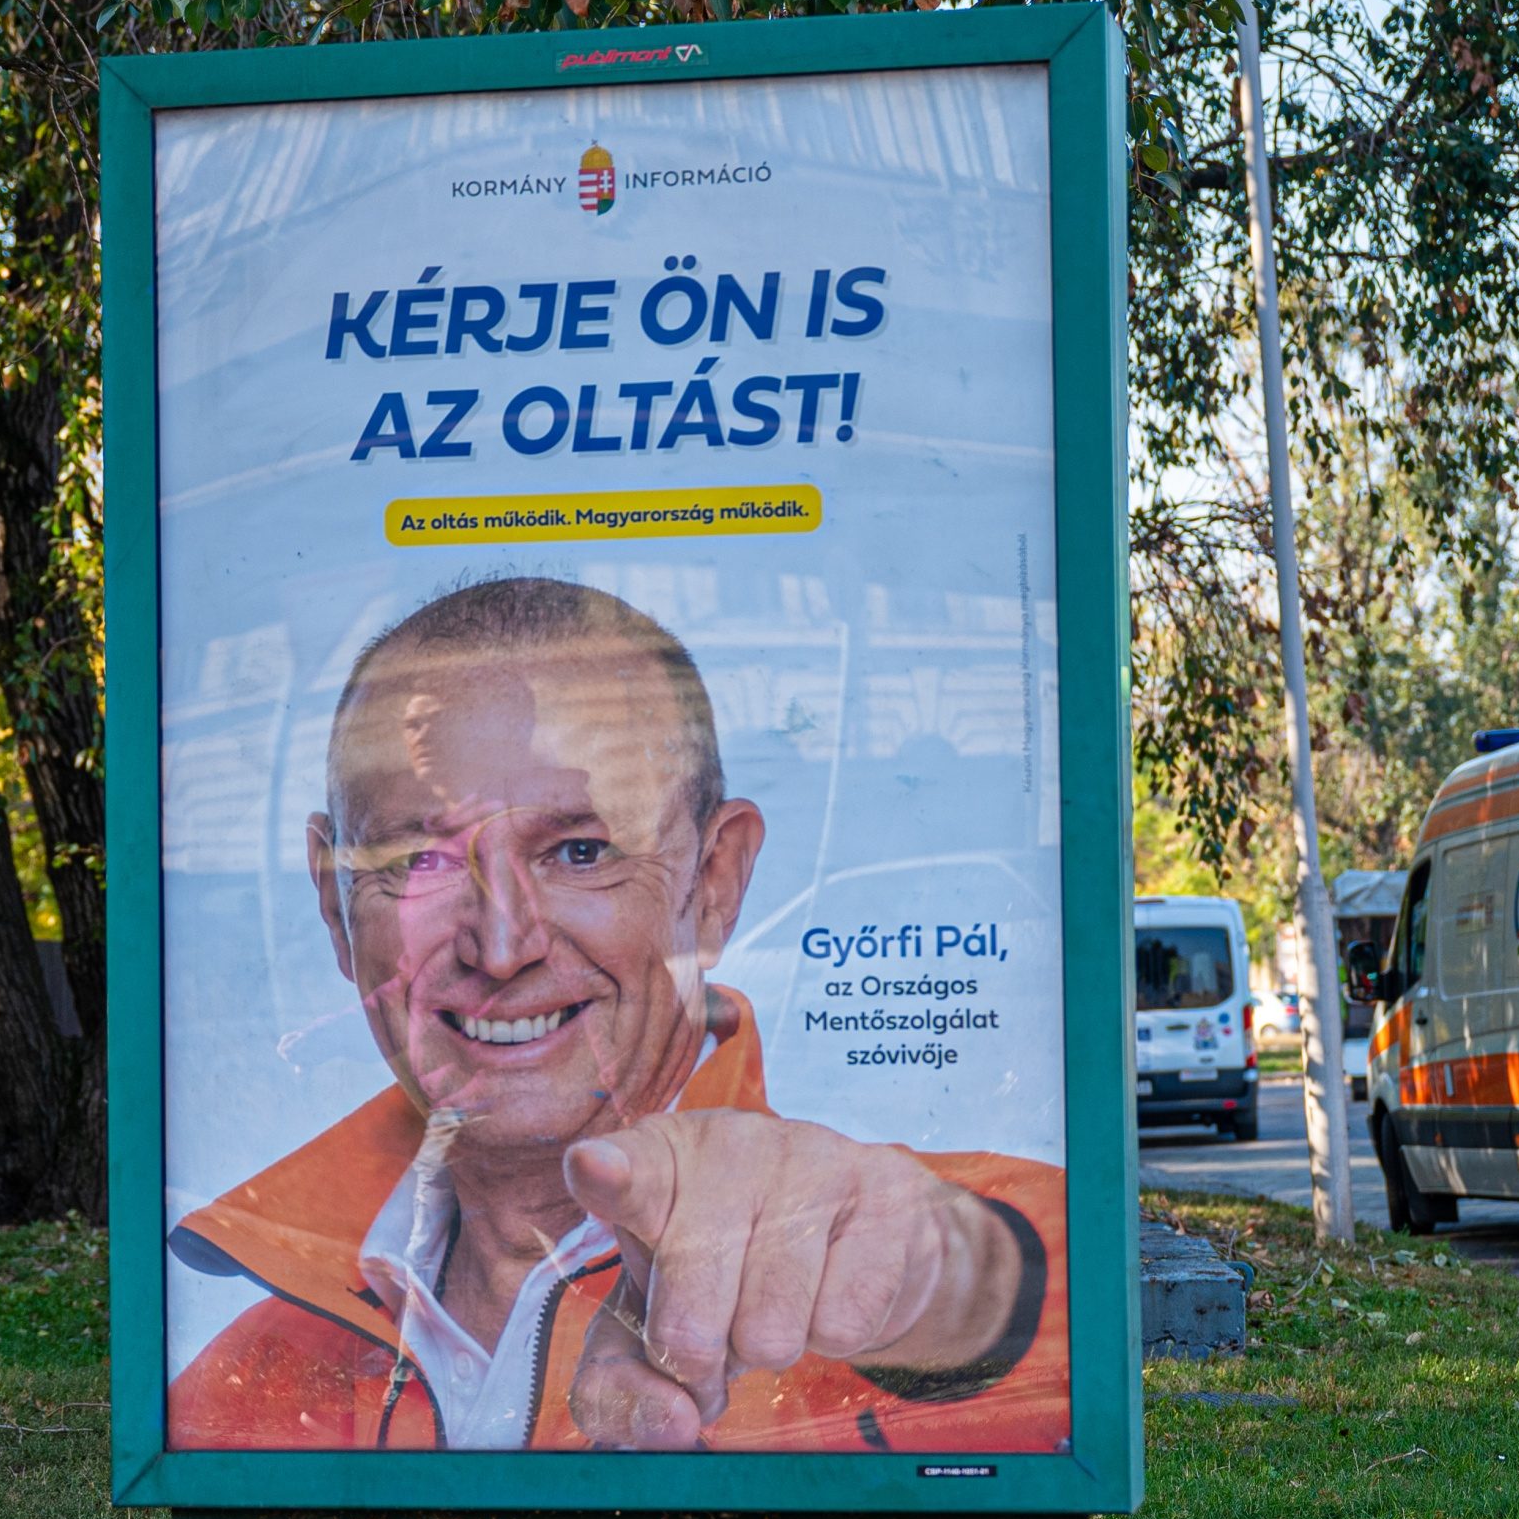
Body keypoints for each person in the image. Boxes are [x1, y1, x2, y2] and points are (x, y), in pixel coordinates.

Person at [167, 576, 1069, 1451]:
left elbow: (1053, 1317)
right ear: (334, 903)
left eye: (581, 849)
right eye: (419, 861)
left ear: (715, 883)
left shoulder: (842, 1258)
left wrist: (956, 1283)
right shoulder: (246, 1385)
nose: (503, 943)